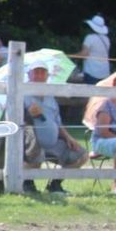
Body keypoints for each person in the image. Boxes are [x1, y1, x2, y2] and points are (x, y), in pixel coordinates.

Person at [24, 58, 89, 193]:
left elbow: (57, 122)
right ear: (29, 75)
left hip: (53, 143)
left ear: (47, 76)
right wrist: (27, 114)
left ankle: (55, 184)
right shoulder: (22, 94)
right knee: (35, 150)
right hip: (29, 143)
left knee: (81, 154)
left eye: (43, 72)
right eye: (36, 72)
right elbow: (16, 121)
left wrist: (68, 138)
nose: (39, 76)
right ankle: (27, 184)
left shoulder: (50, 96)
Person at [80, 14, 110, 84]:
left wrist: (71, 56)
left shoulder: (89, 38)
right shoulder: (107, 39)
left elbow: (84, 54)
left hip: (92, 72)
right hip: (105, 73)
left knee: (90, 91)